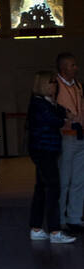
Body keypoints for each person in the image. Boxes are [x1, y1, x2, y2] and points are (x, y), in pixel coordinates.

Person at [27, 72, 74, 244]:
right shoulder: (39, 104)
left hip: (48, 150)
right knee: (53, 188)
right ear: (42, 85)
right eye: (51, 82)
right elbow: (53, 120)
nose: (54, 85)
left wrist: (65, 115)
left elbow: (62, 113)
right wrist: (64, 119)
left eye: (55, 82)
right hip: (43, 150)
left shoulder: (49, 103)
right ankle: (54, 230)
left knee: (41, 188)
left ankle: (36, 228)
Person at [55, 52, 84, 230]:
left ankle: (75, 216)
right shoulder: (55, 86)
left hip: (80, 135)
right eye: (73, 65)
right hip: (65, 136)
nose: (76, 68)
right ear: (64, 67)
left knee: (79, 180)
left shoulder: (78, 86)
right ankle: (60, 219)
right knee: (64, 179)